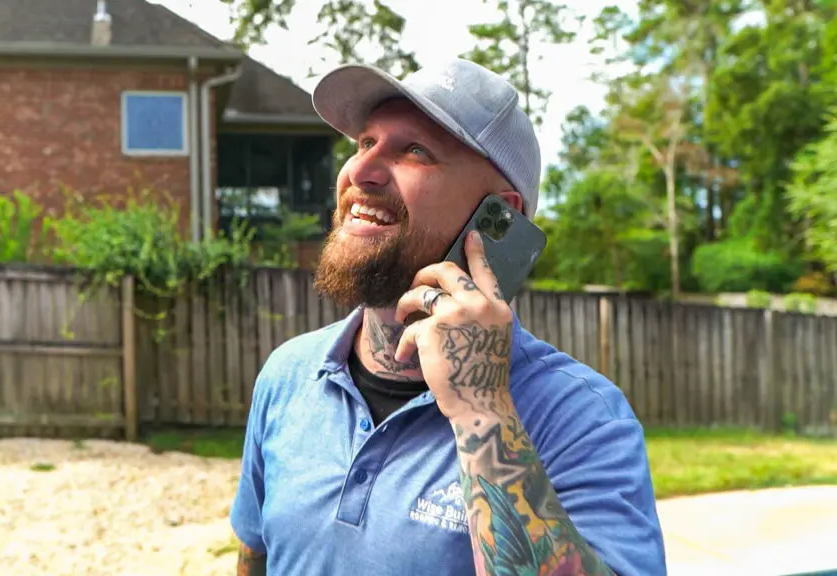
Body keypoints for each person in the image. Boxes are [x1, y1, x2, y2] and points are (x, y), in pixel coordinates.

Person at [228, 58, 666, 576]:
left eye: (415, 151)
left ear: (498, 217)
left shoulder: (581, 417)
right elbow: (254, 553)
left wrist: (482, 410)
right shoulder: (289, 373)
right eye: (365, 143)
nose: (359, 172)